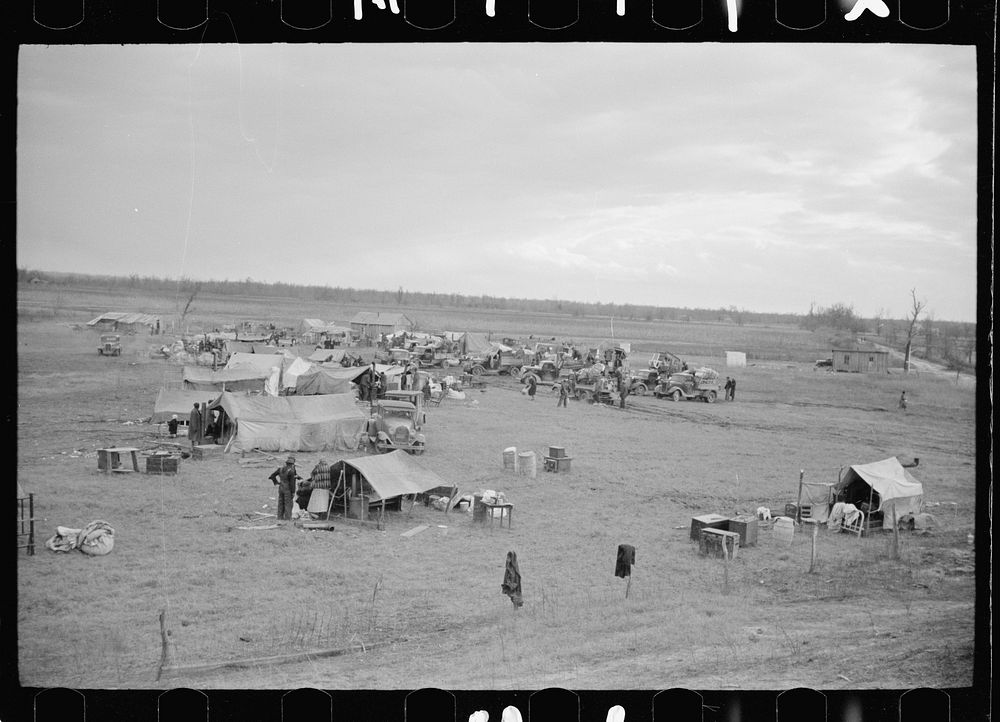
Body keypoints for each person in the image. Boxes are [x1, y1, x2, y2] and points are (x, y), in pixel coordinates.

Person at [268, 456, 301, 522]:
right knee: (288, 504)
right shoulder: (291, 471)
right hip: (288, 489)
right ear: (292, 464)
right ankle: (288, 519)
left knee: (281, 503)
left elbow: (272, 476)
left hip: (281, 488)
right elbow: (292, 483)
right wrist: (293, 492)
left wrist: (276, 482)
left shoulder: (280, 469)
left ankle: (280, 517)